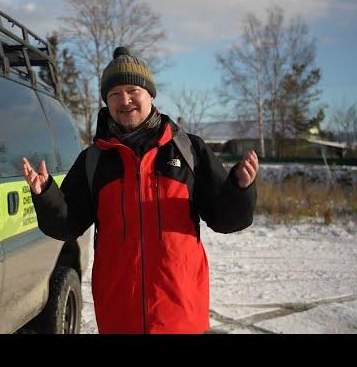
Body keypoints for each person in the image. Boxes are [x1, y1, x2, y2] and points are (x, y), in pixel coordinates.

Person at [22, 47, 258, 334]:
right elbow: (67, 225)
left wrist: (239, 188)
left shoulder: (188, 149)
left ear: (149, 94)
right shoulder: (94, 159)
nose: (125, 100)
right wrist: (46, 193)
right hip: (119, 311)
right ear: (106, 101)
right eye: (114, 94)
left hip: (179, 310)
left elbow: (225, 220)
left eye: (133, 90)